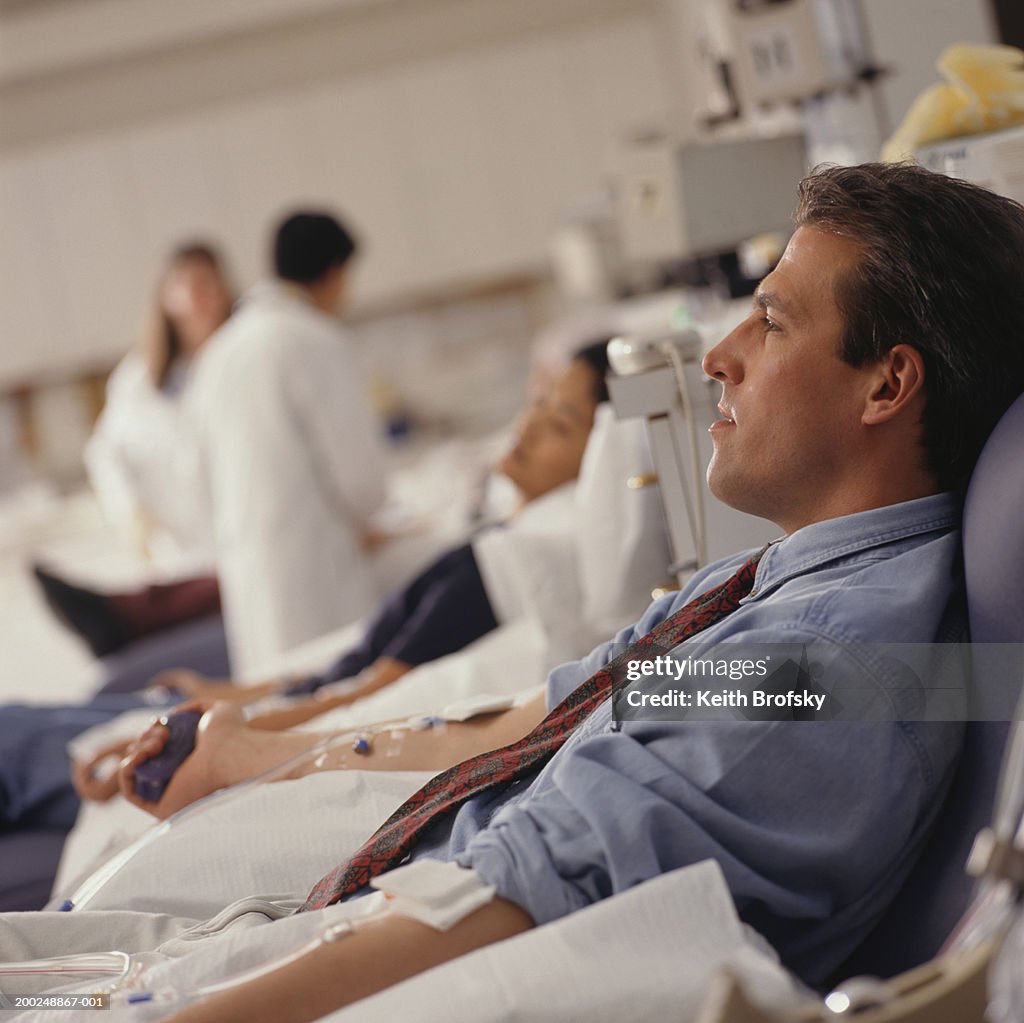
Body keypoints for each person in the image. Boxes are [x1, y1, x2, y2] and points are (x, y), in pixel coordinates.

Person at [5, 162, 1024, 1023]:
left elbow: (525, 883)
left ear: (886, 385)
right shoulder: (771, 584)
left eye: (768, 323)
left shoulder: (820, 672)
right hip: (361, 905)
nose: (717, 358)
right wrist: (261, 751)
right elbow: (548, 718)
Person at [0, 343, 638, 890]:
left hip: (282, 717)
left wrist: (238, 730)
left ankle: (129, 618)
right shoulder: (513, 541)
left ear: (605, 460)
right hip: (283, 695)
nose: (525, 427)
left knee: (20, 740)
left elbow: (367, 691)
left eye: (558, 424)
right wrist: (231, 698)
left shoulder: (522, 568)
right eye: (540, 402)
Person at [185, 211, 388, 675]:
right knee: (339, 697)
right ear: (335, 272)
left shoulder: (219, 349)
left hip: (248, 564)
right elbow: (360, 477)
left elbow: (196, 478)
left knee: (276, 701)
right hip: (315, 563)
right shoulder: (313, 338)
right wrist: (369, 515)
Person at [32, 244, 234, 658]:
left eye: (209, 284)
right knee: (200, 595)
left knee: (221, 592)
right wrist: (132, 512)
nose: (201, 297)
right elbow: (106, 453)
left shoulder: (240, 357)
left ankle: (118, 615)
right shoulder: (140, 378)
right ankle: (119, 615)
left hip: (238, 531)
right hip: (181, 545)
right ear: (165, 297)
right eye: (188, 285)